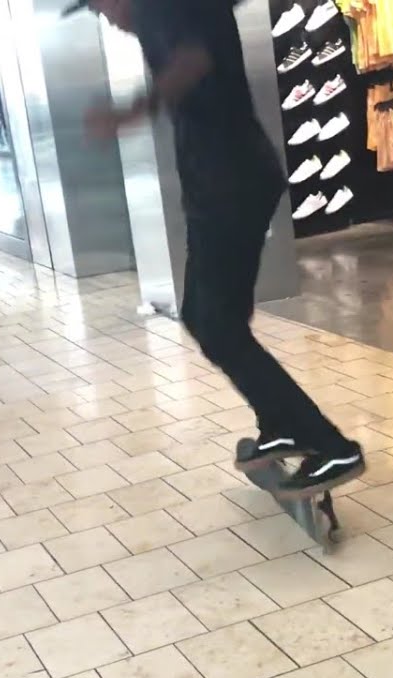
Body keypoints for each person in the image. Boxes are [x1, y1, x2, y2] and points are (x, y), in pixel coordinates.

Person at [73, 0, 365, 497]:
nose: (104, 17)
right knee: (203, 315)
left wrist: (127, 113)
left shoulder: (165, 13)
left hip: (231, 184)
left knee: (217, 323)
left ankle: (329, 445)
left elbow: (194, 62)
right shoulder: (163, 17)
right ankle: (283, 421)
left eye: (99, 6)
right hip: (220, 184)